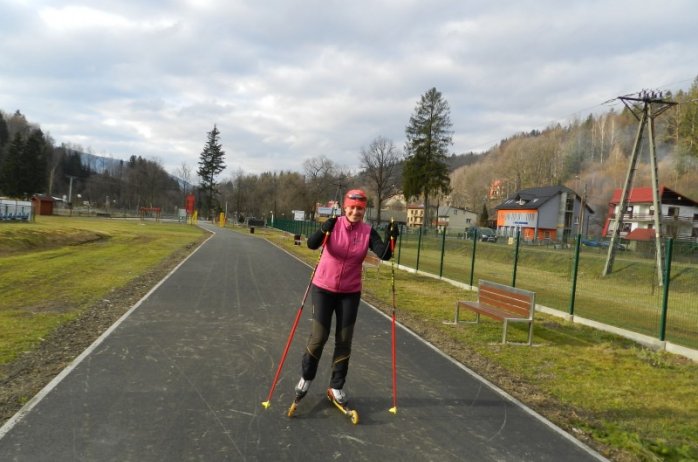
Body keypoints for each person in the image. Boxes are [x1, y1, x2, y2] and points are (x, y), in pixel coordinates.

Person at [295, 189, 399, 405]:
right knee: (319, 337)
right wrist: (324, 228)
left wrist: (392, 237)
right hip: (323, 287)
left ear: (364, 210)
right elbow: (312, 244)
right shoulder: (334, 224)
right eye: (351, 207)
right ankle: (306, 377)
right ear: (345, 207)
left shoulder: (368, 232)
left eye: (360, 208)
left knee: (344, 340)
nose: (355, 212)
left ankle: (336, 386)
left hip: (349, 292)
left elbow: (384, 254)